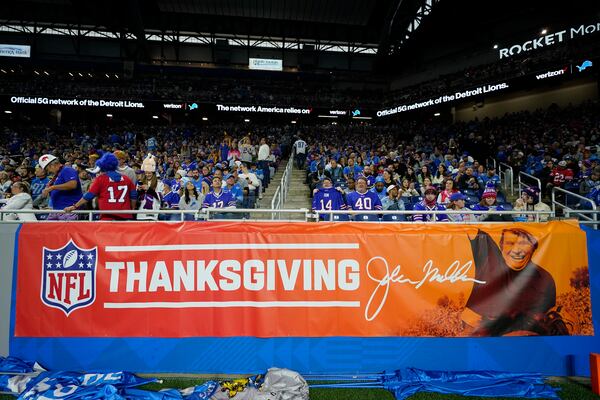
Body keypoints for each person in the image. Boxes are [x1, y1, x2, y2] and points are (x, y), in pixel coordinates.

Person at [462, 228, 564, 336]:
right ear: (501, 246)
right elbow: (469, 226)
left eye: (524, 243)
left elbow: (544, 324)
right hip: (480, 338)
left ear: (534, 247)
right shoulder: (489, 257)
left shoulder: (545, 279)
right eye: (510, 243)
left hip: (524, 341)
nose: (516, 250)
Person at [64, 153, 137, 221]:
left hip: (108, 217)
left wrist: (75, 206)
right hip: (126, 216)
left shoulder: (101, 179)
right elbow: (133, 195)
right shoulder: (126, 178)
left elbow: (89, 195)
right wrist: (132, 209)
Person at [38, 154, 82, 221]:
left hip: (69, 210)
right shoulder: (57, 175)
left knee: (67, 231)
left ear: (52, 165)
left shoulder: (67, 170)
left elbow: (72, 184)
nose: (48, 172)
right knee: (47, 229)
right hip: (57, 210)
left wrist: (53, 187)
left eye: (48, 169)